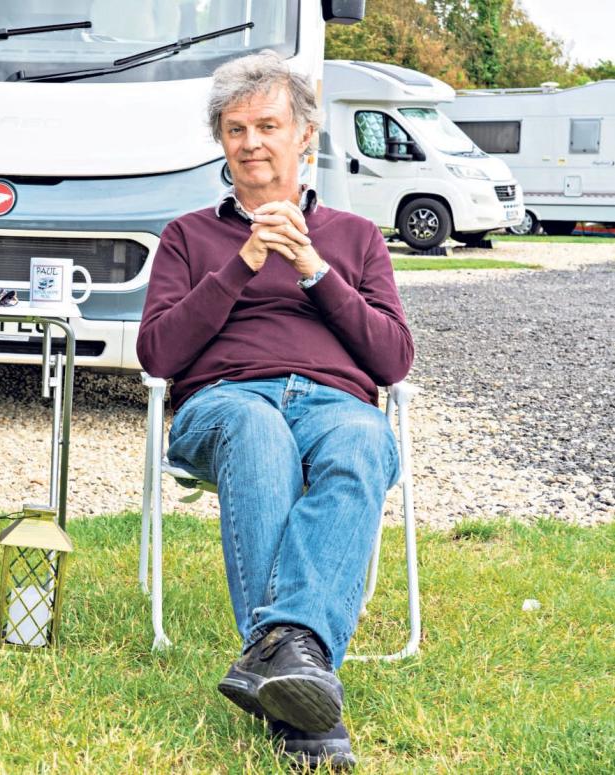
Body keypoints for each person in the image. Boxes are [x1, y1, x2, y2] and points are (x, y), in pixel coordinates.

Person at [136, 51, 413, 770]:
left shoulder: (355, 239)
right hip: (225, 403)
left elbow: (391, 360)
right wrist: (244, 262)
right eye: (234, 129)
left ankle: (289, 673)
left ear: (303, 136)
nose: (251, 141)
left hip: (334, 402)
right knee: (257, 429)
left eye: (266, 125)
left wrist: (313, 271)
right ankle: (298, 660)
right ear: (221, 144)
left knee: (360, 440)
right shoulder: (188, 237)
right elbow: (158, 354)